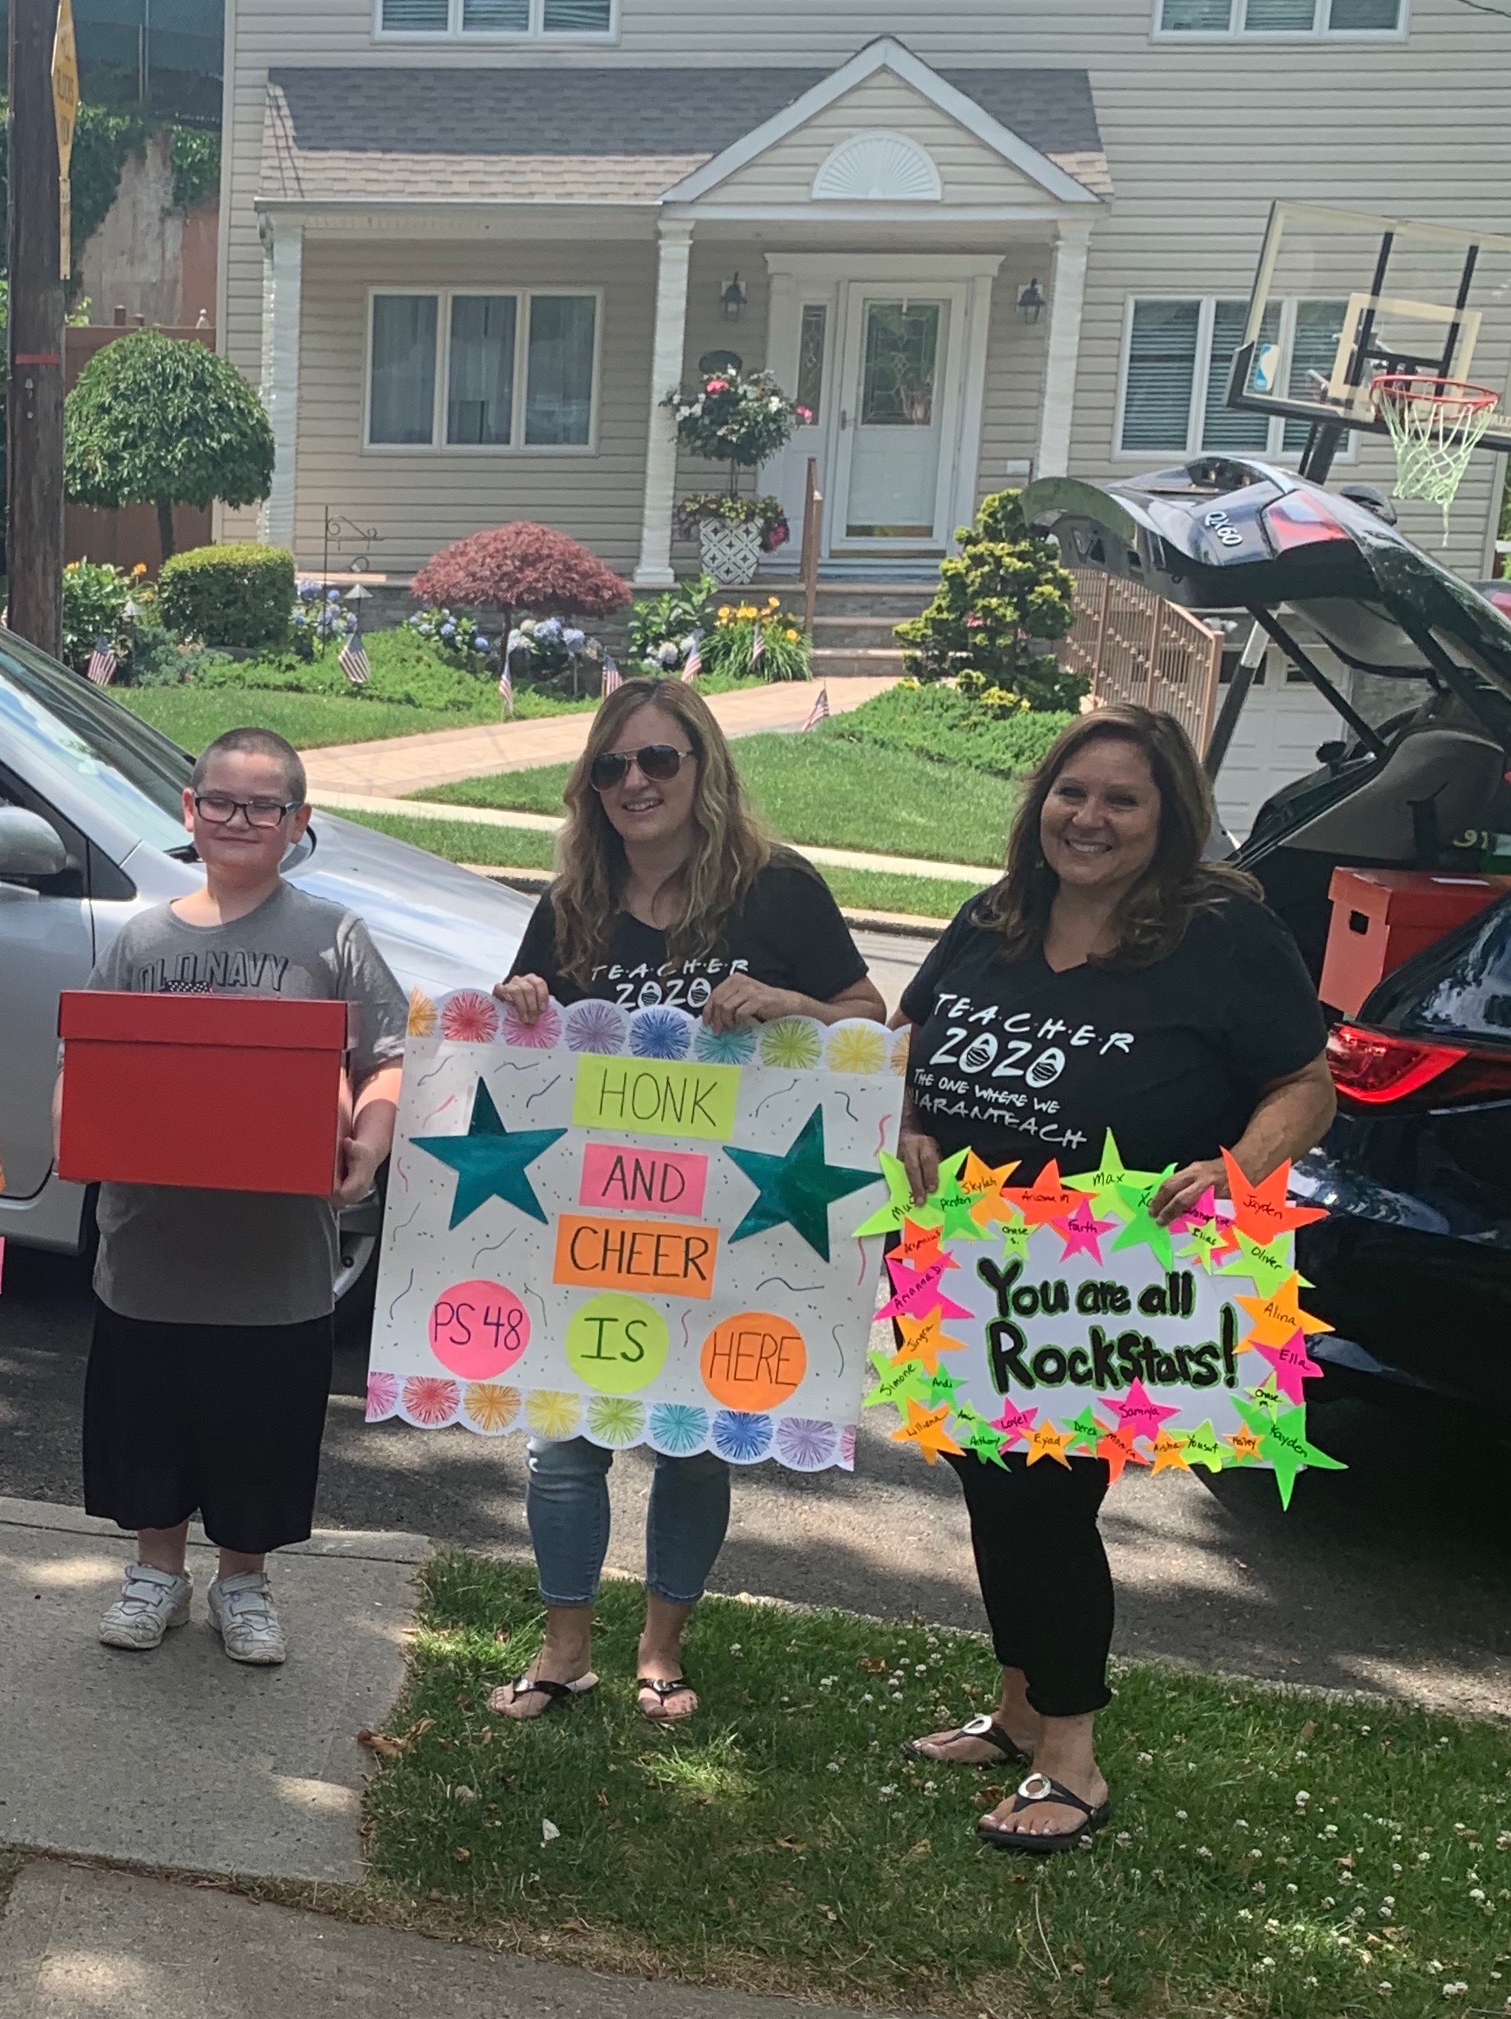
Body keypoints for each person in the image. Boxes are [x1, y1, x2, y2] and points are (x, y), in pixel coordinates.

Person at [896, 705, 1333, 1852]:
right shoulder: (990, 921)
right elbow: (902, 1048)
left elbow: (1306, 1084)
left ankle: (1072, 1758)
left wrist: (1242, 1169)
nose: (1088, 818)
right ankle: (1018, 1708)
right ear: (1040, 802)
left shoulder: (1220, 938)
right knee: (995, 1488)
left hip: (1115, 1276)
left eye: (1120, 800)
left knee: (1044, 1499)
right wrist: (902, 1124)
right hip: (958, 1261)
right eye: (1071, 793)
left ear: (1167, 818)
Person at [486, 677, 886, 1725]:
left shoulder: (778, 890)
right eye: (612, 766)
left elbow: (866, 1025)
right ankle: (564, 1647)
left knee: (692, 1437)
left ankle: (661, 1650)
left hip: (730, 1224)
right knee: (565, 1437)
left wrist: (793, 1003)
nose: (634, 783)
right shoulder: (569, 902)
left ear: (704, 768)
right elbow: (525, 1047)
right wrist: (522, 1003)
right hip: (594, 1220)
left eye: (659, 760)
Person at [65, 726, 406, 1667]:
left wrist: (368, 1148)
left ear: (297, 823)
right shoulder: (141, 937)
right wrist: (74, 1128)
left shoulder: (332, 936)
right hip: (152, 1247)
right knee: (150, 1417)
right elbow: (86, 1066)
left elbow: (383, 1063)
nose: (239, 819)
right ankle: (154, 1572)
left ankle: (242, 1582)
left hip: (277, 1255)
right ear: (188, 809)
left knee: (259, 1423)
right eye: (220, 800)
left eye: (264, 806)